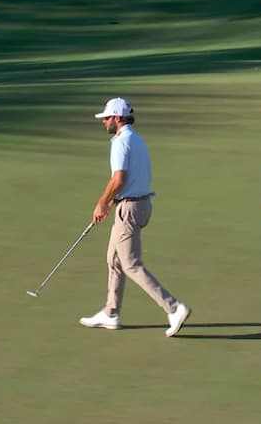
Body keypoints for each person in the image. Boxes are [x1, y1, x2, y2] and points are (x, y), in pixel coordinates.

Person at [79, 97, 191, 337]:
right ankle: (111, 313)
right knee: (114, 259)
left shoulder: (120, 142)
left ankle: (173, 308)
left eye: (107, 118)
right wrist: (112, 202)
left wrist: (102, 202)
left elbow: (119, 179)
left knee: (130, 264)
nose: (104, 122)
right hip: (139, 205)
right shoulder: (137, 139)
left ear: (118, 118)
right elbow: (131, 179)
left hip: (130, 209)